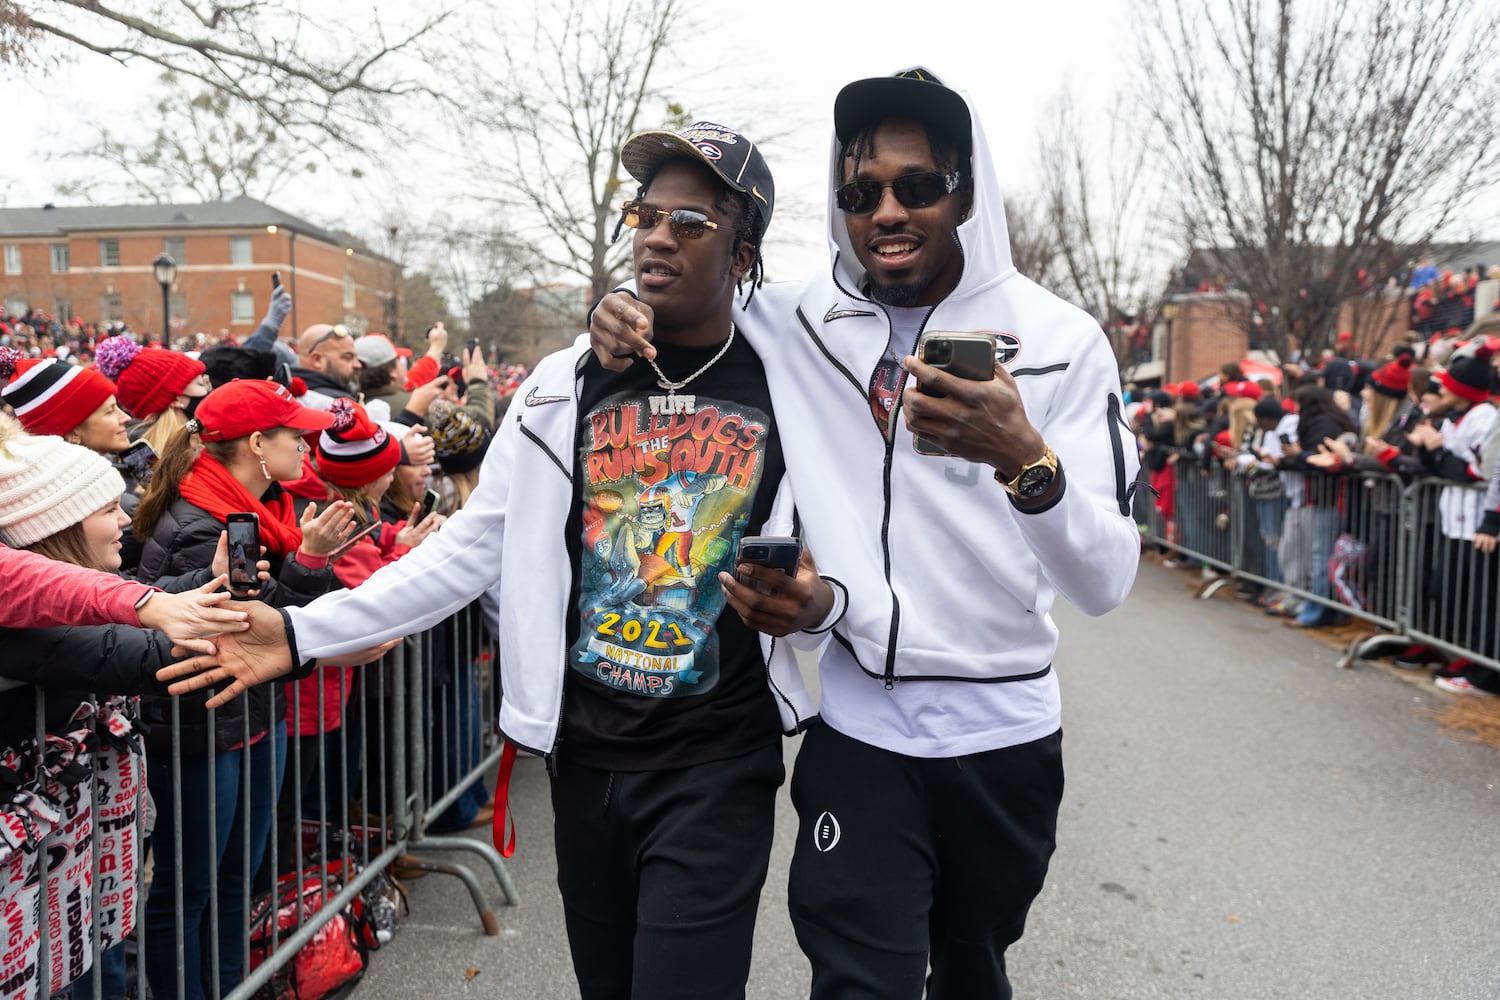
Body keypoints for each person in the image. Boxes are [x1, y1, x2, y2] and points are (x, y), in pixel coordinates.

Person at [159, 121, 822, 1000]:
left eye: (692, 223)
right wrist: (299, 631)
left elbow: (863, 309)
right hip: (587, 761)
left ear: (745, 250)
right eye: (646, 215)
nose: (658, 235)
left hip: (714, 764)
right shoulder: (562, 385)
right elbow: (470, 552)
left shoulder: (797, 380)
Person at [586, 67, 1139, 1000]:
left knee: (973, 974)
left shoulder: (1060, 340)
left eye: (916, 187)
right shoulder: (797, 318)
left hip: (1003, 737)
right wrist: (611, 312)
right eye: (859, 192)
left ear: (964, 189)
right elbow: (687, 286)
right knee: (858, 981)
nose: (887, 210)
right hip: (862, 737)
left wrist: (1022, 456)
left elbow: (1106, 580)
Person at [132, 378, 355, 1000]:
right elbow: (246, 630)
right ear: (257, 444)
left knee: (237, 879)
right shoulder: (202, 523)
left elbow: (267, 625)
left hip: (252, 714)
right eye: (295, 434)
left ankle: (233, 986)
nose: (308, 444)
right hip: (203, 724)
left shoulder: (262, 512)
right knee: (191, 887)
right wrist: (309, 564)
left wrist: (306, 561)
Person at [292, 323, 361, 399]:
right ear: (317, 360)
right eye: (348, 357)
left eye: (356, 358)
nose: (357, 365)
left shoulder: (286, 395)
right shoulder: (340, 405)